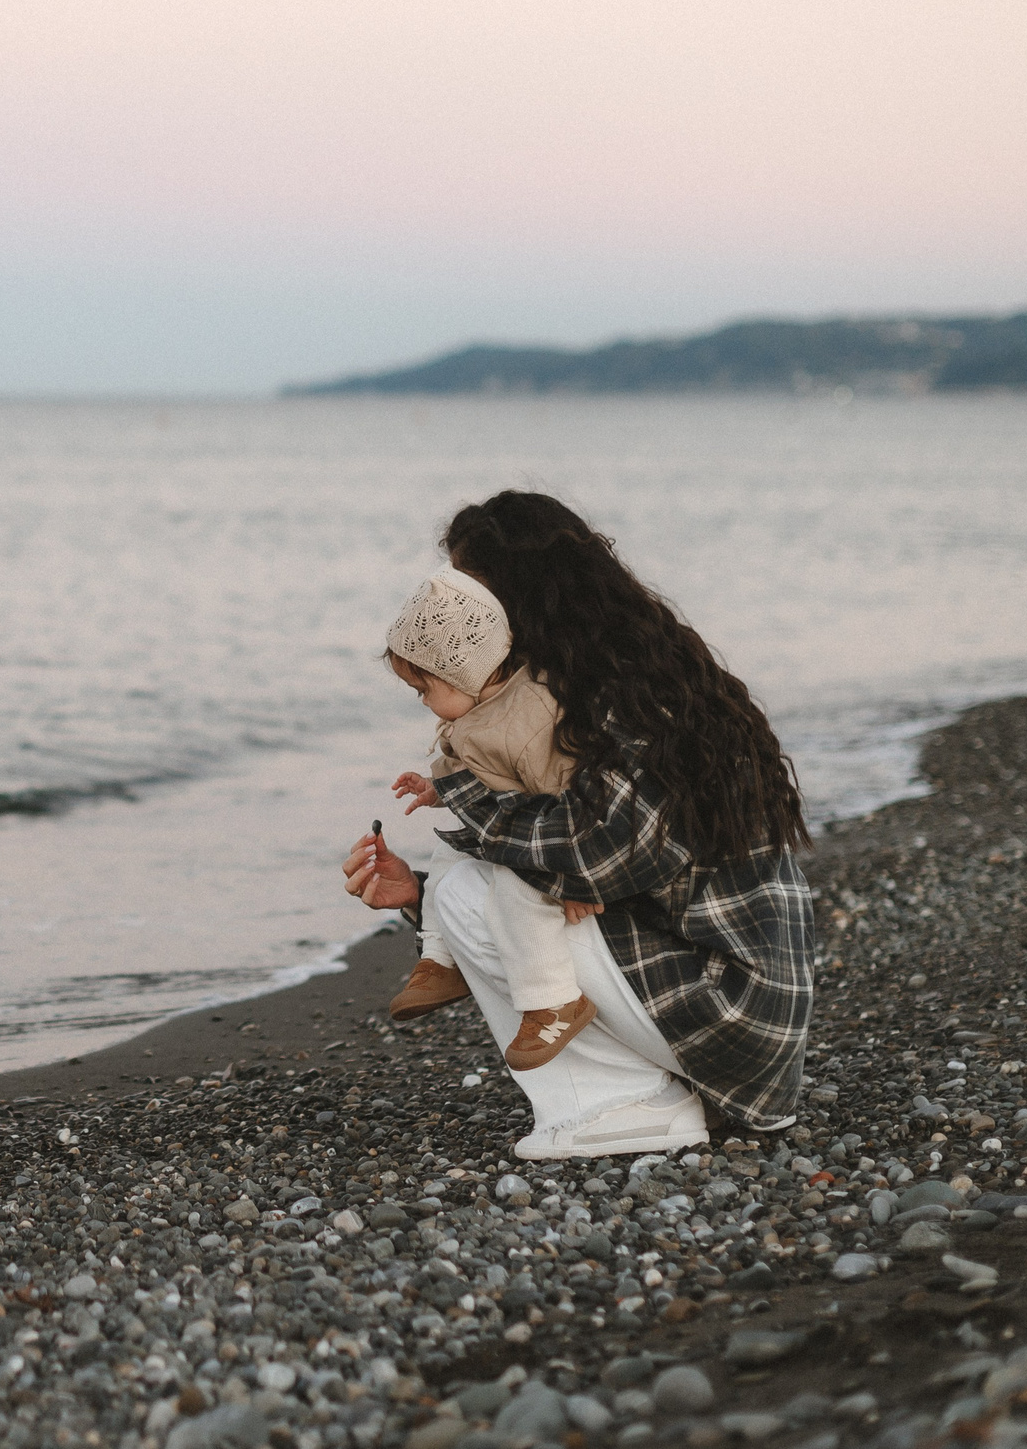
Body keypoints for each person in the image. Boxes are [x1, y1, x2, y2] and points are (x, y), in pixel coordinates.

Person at [341, 491, 814, 1161]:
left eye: (470, 594)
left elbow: (593, 853)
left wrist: (462, 795)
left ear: (518, 598)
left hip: (730, 1014)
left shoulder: (623, 700)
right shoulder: (634, 674)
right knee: (469, 886)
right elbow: (585, 860)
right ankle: (651, 1091)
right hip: (729, 1004)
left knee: (475, 889)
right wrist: (420, 894)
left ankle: (625, 1105)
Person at [373, 568, 602, 1072]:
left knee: (517, 893)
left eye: (423, 688)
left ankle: (553, 1000)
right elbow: (477, 771)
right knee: (446, 850)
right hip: (504, 824)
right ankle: (440, 958)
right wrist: (437, 788)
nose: (424, 702)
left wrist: (578, 876)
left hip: (545, 844)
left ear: (461, 674)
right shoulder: (478, 709)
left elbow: (572, 799)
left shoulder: (532, 716)